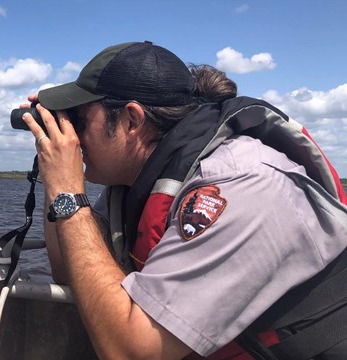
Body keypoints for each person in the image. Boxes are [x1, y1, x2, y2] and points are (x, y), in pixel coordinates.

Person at [21, 41, 347, 359]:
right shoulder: (134, 185)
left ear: (131, 121)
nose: (71, 134)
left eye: (78, 119)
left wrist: (68, 194)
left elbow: (131, 352)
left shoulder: (239, 183)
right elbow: (69, 271)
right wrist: (57, 186)